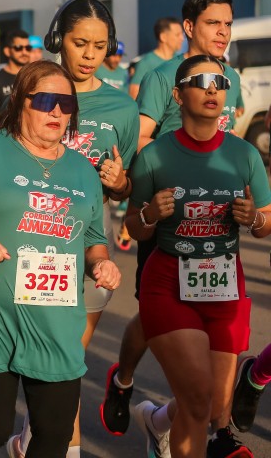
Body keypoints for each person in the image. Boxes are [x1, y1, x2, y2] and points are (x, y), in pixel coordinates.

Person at [0, 61, 120, 458]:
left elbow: (94, 239)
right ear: (19, 101)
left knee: (55, 435)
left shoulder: (82, 170)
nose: (57, 111)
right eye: (45, 100)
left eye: (66, 103)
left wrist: (101, 262)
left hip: (57, 323)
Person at [101, 0, 244, 440]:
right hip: (166, 216)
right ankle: (124, 380)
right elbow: (141, 138)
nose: (222, 31)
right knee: (154, 315)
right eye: (213, 23)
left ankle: (209, 427)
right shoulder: (163, 76)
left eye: (227, 23)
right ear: (189, 27)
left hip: (217, 219)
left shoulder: (232, 76)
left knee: (214, 323)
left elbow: (232, 137)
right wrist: (172, 170)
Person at [6, 0, 138, 458]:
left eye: (100, 46)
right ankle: (53, 444)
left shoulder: (121, 107)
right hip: (31, 241)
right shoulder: (28, 90)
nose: (89, 55)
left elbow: (126, 186)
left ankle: (35, 440)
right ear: (57, 39)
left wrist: (120, 183)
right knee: (55, 361)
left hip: (89, 248)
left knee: (67, 360)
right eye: (80, 43)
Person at [123, 55, 270, 458]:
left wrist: (254, 217)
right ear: (177, 94)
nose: (212, 89)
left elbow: (266, 222)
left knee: (213, 406)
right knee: (197, 395)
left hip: (225, 286)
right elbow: (134, 226)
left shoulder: (244, 154)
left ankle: (156, 424)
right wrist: (150, 214)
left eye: (220, 83)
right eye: (201, 81)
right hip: (168, 284)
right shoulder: (154, 155)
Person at [0, 30, 32, 129]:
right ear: (7, 51)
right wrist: (8, 118)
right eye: (18, 48)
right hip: (6, 135)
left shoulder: (34, 77)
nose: (24, 52)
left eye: (28, 48)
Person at [129, 17, 184, 99]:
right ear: (163, 37)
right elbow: (134, 94)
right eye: (177, 35)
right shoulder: (146, 63)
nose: (182, 38)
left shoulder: (181, 61)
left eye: (182, 34)